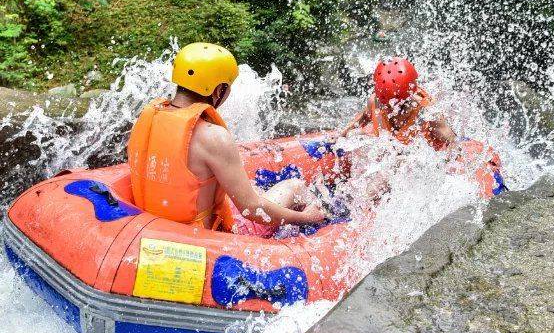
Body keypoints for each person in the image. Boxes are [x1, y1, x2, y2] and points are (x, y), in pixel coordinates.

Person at [127, 42, 325, 236]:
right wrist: (307, 217)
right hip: (206, 240)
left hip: (153, 229)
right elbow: (253, 210)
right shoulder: (213, 137)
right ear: (218, 90)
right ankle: (322, 222)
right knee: (295, 186)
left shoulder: (148, 119)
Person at [342, 57, 506, 197]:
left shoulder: (427, 113)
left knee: (389, 172)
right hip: (394, 158)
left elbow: (454, 145)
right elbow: (362, 119)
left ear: (410, 95)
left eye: (401, 106)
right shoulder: (376, 101)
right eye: (389, 106)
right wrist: (342, 135)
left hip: (422, 165)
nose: (394, 110)